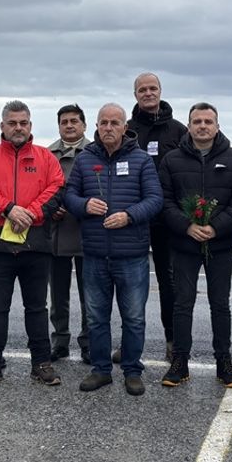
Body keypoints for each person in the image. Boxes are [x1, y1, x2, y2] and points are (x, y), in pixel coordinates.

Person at [0, 100, 65, 389]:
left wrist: (30, 213)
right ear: (2, 126)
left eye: (23, 123)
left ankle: (41, 363)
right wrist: (8, 209)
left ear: (30, 125)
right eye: (12, 123)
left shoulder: (46, 157)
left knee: (37, 308)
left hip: (36, 244)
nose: (18, 128)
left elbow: (57, 188)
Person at [64, 103, 163, 395]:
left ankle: (132, 370)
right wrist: (84, 205)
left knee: (133, 318)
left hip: (131, 255)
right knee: (96, 318)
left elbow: (155, 199)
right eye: (104, 123)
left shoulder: (141, 160)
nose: (108, 128)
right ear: (96, 126)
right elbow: (69, 195)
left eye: (114, 123)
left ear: (124, 127)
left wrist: (129, 216)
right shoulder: (85, 159)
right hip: (94, 254)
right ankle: (101, 370)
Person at [158, 102, 232, 388]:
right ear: (188, 126)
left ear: (217, 126)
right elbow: (164, 200)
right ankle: (180, 361)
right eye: (197, 121)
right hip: (183, 243)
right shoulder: (172, 161)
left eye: (207, 121)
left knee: (220, 304)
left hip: (220, 245)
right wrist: (186, 226)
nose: (202, 126)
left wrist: (216, 227)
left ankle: (224, 361)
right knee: (182, 303)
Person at [129, 72, 188, 360]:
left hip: (168, 219)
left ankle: (172, 340)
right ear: (136, 95)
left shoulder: (178, 131)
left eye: (152, 88)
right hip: (134, 217)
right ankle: (130, 342)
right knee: (131, 282)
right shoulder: (127, 130)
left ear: (160, 91)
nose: (148, 93)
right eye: (142, 89)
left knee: (169, 282)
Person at [48, 104, 89, 362]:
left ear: (84, 125)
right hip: (57, 232)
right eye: (64, 122)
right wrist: (50, 208)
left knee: (90, 295)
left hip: (87, 232)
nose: (69, 125)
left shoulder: (95, 152)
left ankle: (88, 342)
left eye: (74, 121)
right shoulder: (47, 154)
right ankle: (60, 341)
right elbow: (40, 187)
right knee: (58, 294)